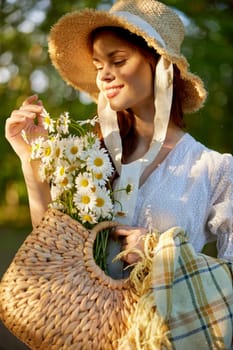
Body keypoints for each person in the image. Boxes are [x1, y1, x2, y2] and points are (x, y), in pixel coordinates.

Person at [5, 0, 233, 347]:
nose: (103, 75)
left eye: (118, 60)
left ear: (159, 66)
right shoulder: (91, 154)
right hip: (82, 335)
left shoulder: (212, 169)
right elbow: (55, 248)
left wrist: (160, 254)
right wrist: (31, 160)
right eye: (98, 64)